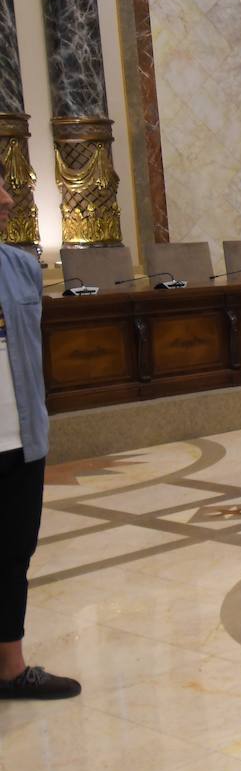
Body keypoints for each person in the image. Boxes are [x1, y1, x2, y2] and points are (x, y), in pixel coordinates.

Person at [0, 182, 81, 700]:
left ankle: (10, 667)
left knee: (14, 552)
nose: (8, 199)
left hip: (21, 438)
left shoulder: (22, 265)